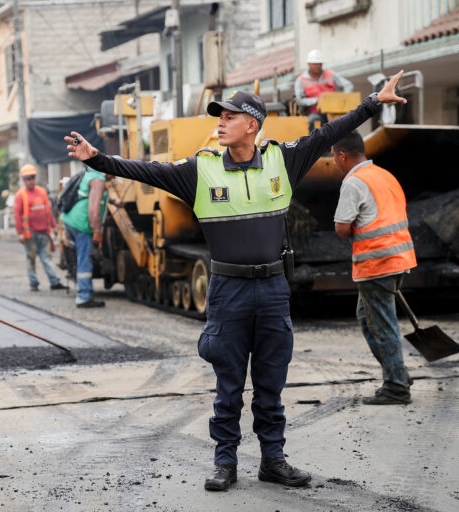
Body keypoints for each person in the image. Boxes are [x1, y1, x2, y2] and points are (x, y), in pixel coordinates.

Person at [66, 71, 406, 491]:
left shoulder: (284, 159)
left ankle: (273, 460)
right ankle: (224, 463)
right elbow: (145, 170)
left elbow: (330, 131)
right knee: (228, 383)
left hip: (272, 290)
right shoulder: (200, 171)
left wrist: (373, 103)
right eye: (219, 116)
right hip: (227, 290)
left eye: (229, 116)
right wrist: (97, 159)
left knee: (271, 382)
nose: (220, 122)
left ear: (253, 124)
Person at [332, 131, 416, 405]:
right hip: (398, 258)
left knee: (382, 325)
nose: (333, 162)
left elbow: (342, 229)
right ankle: (398, 372)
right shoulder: (383, 175)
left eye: (333, 157)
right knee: (366, 319)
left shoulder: (354, 182)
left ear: (342, 155)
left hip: (376, 263)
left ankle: (396, 387)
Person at [60, 166, 120, 308]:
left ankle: (84, 292)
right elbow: (94, 208)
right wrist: (97, 231)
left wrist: (115, 203)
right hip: (81, 224)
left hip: (71, 221)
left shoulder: (93, 175)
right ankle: (84, 297)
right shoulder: (98, 180)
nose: (116, 177)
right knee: (85, 259)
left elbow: (91, 197)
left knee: (82, 258)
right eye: (116, 172)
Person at [14, 164, 66, 292]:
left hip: (44, 232)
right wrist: (20, 233)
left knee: (47, 259)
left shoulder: (42, 191)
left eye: (32, 177)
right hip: (30, 234)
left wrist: (54, 226)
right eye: (27, 178)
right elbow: (17, 215)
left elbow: (48, 211)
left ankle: (54, 282)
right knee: (30, 259)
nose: (30, 180)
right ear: (23, 180)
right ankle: (34, 283)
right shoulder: (21, 195)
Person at [294, 49, 354, 132]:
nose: (317, 66)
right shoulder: (301, 80)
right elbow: (299, 100)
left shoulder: (330, 74)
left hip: (333, 111)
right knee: (313, 120)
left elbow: (348, 85)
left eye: (319, 63)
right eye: (314, 64)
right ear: (309, 64)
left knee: (347, 122)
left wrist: (344, 99)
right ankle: (315, 143)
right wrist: (316, 100)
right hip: (315, 113)